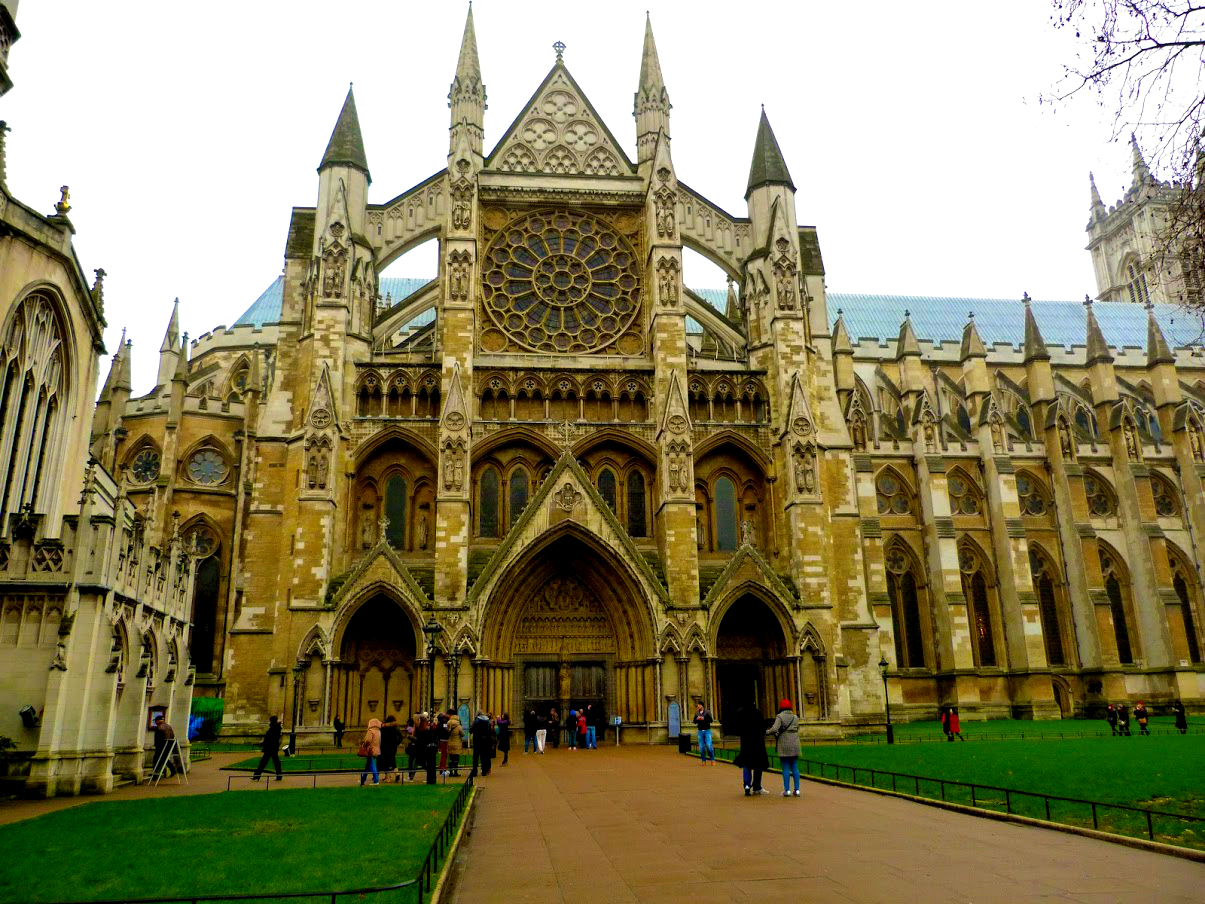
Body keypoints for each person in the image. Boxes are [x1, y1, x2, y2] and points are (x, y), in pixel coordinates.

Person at [733, 702, 769, 796]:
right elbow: (763, 727)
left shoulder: (740, 713)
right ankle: (757, 786)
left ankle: (747, 786)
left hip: (746, 742)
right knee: (758, 764)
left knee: (746, 764)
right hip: (757, 742)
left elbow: (736, 727)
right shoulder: (757, 712)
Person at [767, 699, 801, 797]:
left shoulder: (780, 716)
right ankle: (797, 790)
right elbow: (797, 728)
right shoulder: (795, 717)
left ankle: (787, 790)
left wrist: (766, 732)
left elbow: (774, 729)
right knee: (795, 766)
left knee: (785, 767)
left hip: (784, 742)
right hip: (795, 742)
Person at [251, 715, 284, 781]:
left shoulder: (273, 728)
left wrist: (262, 744)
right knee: (275, 762)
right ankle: (279, 776)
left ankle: (257, 776)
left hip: (270, 748)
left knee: (263, 763)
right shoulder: (276, 728)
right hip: (273, 748)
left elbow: (269, 739)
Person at [469, 710, 494, 777]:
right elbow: (489, 730)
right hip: (485, 740)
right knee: (484, 756)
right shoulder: (487, 721)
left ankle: (475, 771)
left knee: (476, 757)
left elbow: (471, 729)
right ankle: (484, 771)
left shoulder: (476, 721)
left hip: (477, 740)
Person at [379, 715, 401, 782]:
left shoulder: (383, 728)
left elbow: (381, 737)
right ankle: (397, 773)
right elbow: (401, 737)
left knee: (385, 762)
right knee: (393, 760)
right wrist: (397, 743)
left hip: (385, 746)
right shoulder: (395, 728)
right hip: (393, 746)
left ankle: (388, 778)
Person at [360, 718, 382, 786]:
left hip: (370, 750)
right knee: (368, 766)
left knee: (372, 765)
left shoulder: (370, 731)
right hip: (377, 750)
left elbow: (368, 740)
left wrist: (363, 743)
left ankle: (376, 780)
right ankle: (362, 780)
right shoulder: (378, 731)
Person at [445, 710, 463, 776]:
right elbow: (462, 734)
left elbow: (446, 732)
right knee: (456, 759)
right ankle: (455, 772)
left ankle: (451, 772)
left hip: (450, 743)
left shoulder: (448, 724)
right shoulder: (459, 726)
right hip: (457, 744)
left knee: (451, 758)